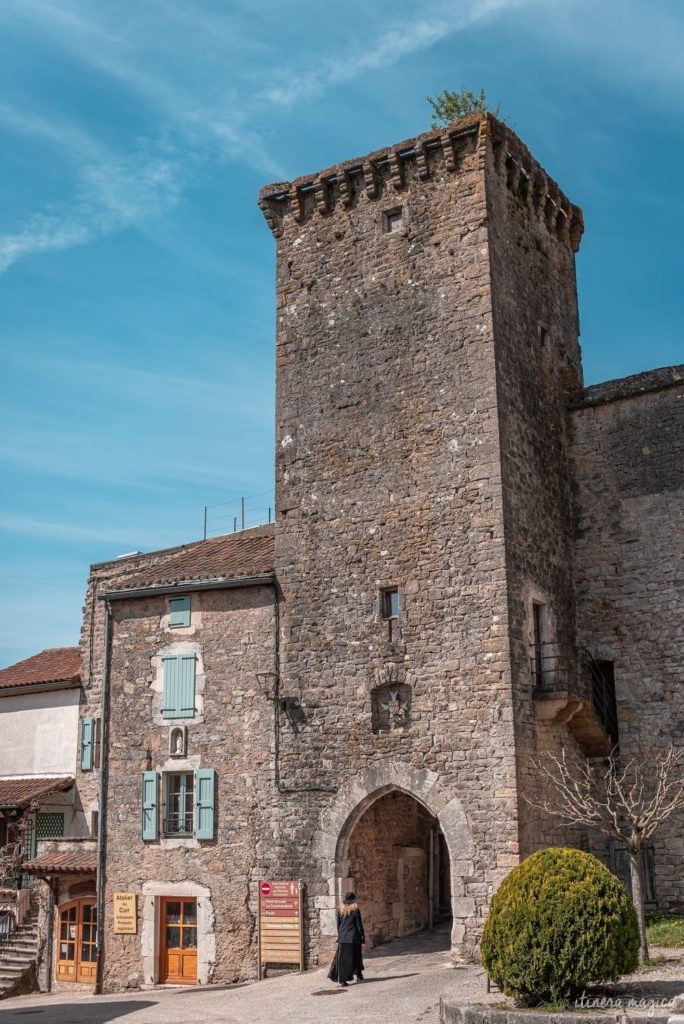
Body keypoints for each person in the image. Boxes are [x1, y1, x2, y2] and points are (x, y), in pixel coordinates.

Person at [331, 891, 365, 987]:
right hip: (354, 938)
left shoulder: (340, 911)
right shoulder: (355, 911)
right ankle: (359, 975)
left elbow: (338, 925)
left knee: (343, 960)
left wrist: (341, 936)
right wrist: (362, 938)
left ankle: (343, 980)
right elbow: (359, 926)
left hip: (343, 938)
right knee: (357, 956)